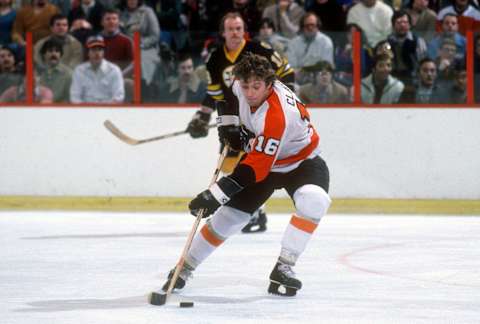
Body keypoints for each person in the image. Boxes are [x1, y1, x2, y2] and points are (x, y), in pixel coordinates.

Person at [161, 52, 331, 297]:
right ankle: (184, 267)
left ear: (269, 85)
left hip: (302, 162)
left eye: (257, 87)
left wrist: (214, 194)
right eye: (246, 85)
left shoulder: (277, 116)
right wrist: (228, 125)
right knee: (230, 217)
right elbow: (227, 99)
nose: (250, 92)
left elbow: (255, 168)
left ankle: (284, 266)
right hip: (267, 159)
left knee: (314, 200)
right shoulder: (239, 83)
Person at [186, 12, 295, 233]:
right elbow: (216, 94)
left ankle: (256, 212)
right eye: (231, 29)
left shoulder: (259, 50)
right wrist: (203, 115)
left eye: (239, 28)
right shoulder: (215, 58)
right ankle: (253, 210)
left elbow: (287, 72)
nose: (235, 33)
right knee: (228, 164)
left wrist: (283, 106)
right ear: (223, 32)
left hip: (259, 117)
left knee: (252, 163)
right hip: (231, 119)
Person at [70, 35, 124, 103]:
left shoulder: (114, 70)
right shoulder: (79, 71)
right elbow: (74, 97)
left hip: (108, 111)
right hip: (85, 111)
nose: (97, 53)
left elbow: (118, 97)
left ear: (104, 52)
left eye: (100, 50)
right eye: (93, 50)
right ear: (87, 53)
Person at [119, 0, 160, 85]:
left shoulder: (147, 12)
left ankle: (143, 85)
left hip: (145, 48)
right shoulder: (121, 14)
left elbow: (155, 35)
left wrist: (139, 44)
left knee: (141, 61)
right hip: (127, 47)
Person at [285, 12, 334, 80]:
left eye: (312, 25)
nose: (310, 28)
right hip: (297, 79)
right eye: (307, 25)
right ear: (302, 27)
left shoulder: (326, 42)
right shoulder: (293, 43)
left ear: (318, 26)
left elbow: (326, 66)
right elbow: (290, 66)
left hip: (318, 80)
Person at [386, 10, 427, 85]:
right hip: (392, 78)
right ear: (393, 25)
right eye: (398, 22)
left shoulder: (418, 41)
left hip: (412, 78)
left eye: (405, 22)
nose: (402, 25)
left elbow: (423, 64)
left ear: (410, 25)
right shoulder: (387, 42)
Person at [37, 38, 72, 102]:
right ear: (44, 54)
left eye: (57, 51)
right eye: (50, 51)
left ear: (60, 54)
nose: (54, 54)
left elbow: (70, 99)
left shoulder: (68, 74)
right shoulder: (37, 72)